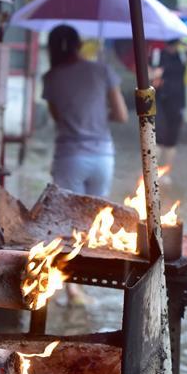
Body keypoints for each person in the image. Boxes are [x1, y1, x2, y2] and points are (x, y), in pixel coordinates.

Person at [42, 24, 128, 303]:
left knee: (67, 222)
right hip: (103, 156)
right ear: (79, 45)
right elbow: (122, 115)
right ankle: (82, 283)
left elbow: (58, 119)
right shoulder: (102, 71)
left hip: (70, 157)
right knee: (93, 222)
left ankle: (70, 287)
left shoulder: (51, 78)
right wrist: (99, 115)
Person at [150, 38, 187, 183]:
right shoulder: (157, 55)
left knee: (171, 140)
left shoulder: (183, 55)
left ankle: (166, 173)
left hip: (177, 101)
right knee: (158, 136)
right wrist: (155, 75)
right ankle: (152, 173)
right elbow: (148, 74)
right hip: (159, 100)